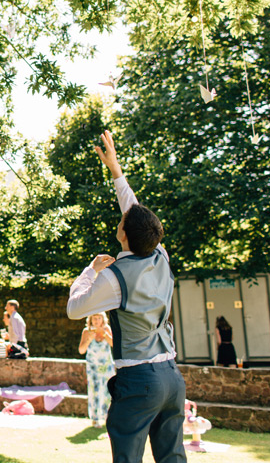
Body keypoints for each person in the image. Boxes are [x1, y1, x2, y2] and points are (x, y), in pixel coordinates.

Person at [67, 130, 186, 463]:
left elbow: (75, 309)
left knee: (127, 459)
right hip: (172, 378)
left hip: (139, 382)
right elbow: (136, 215)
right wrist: (116, 171)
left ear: (122, 233)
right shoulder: (158, 255)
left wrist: (89, 271)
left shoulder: (114, 279)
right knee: (173, 459)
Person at [79, 312, 115, 428]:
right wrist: (89, 339)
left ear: (103, 319)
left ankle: (108, 417)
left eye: (99, 318)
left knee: (108, 392)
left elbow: (114, 344)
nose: (97, 321)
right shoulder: (86, 331)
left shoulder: (106, 329)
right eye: (94, 318)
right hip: (93, 368)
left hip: (106, 367)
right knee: (94, 392)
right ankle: (95, 419)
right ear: (90, 319)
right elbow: (81, 350)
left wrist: (105, 335)